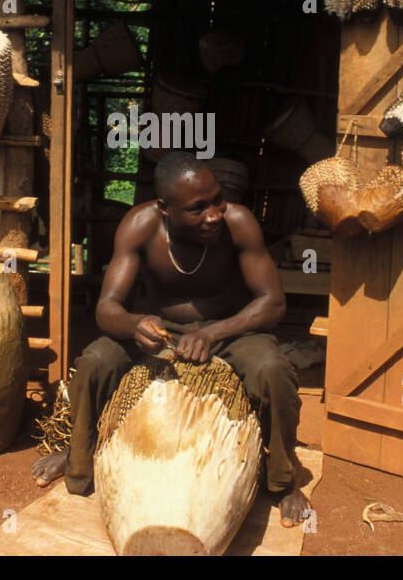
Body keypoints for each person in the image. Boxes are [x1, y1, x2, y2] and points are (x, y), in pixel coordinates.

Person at [32, 151, 310, 526]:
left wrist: (212, 332)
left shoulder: (239, 223)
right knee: (95, 363)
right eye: (198, 208)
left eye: (218, 199)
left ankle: (284, 478)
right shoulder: (139, 226)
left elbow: (273, 303)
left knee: (272, 369)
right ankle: (77, 456)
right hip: (159, 327)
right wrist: (134, 325)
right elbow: (106, 308)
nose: (214, 214)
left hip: (226, 328)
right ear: (165, 208)